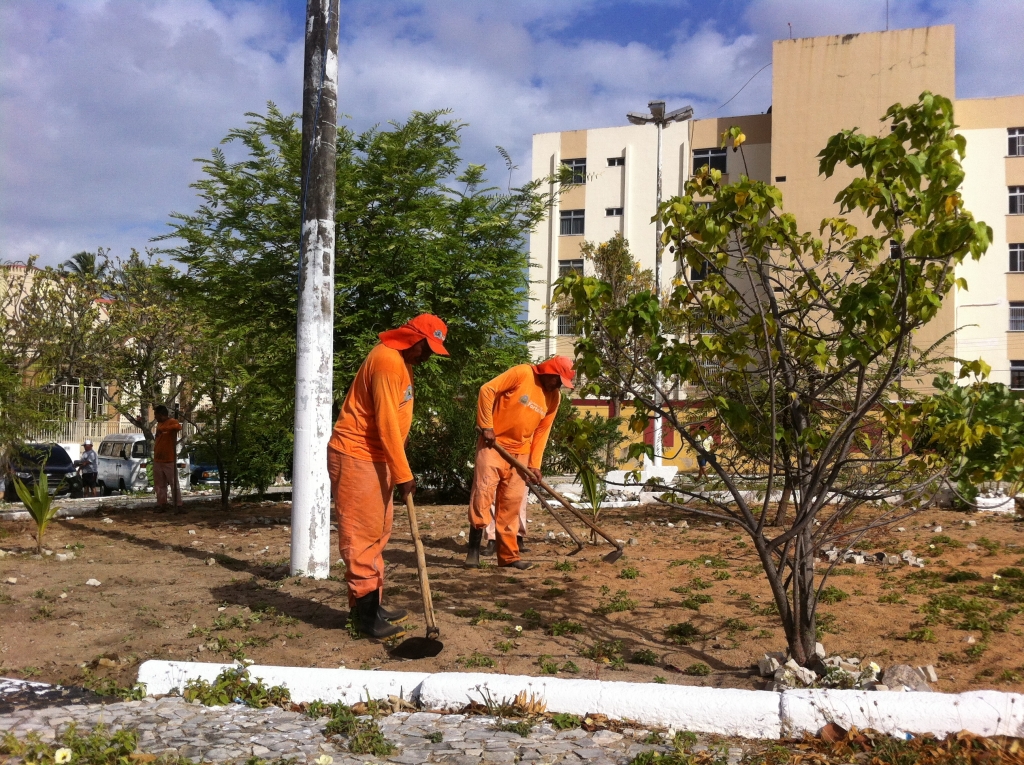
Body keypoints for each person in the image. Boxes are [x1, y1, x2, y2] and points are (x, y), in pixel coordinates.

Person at [327, 313, 449, 639]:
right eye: (427, 349)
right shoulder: (387, 363)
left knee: (377, 533)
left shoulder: (401, 362)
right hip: (358, 455)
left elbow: (395, 420)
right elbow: (386, 424)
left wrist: (397, 465)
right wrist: (403, 473)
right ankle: (365, 619)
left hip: (376, 457)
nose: (428, 356)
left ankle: (372, 606)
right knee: (361, 538)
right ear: (414, 339)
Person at [466, 356, 574, 570]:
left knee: (511, 503)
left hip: (520, 453)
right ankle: (473, 552)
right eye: (558, 380)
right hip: (493, 446)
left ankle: (508, 557)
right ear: (549, 372)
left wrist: (535, 464)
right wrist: (487, 426)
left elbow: (542, 431)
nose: (559, 386)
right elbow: (487, 390)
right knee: (482, 496)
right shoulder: (523, 373)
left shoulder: (554, 397)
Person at [153, 405, 183, 511]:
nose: (155, 417)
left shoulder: (172, 422)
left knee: (174, 483)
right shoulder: (159, 424)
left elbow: (178, 427)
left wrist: (164, 429)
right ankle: (162, 504)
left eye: (156, 415)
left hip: (169, 459)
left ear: (161, 414)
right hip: (158, 458)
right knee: (160, 485)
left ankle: (178, 505)